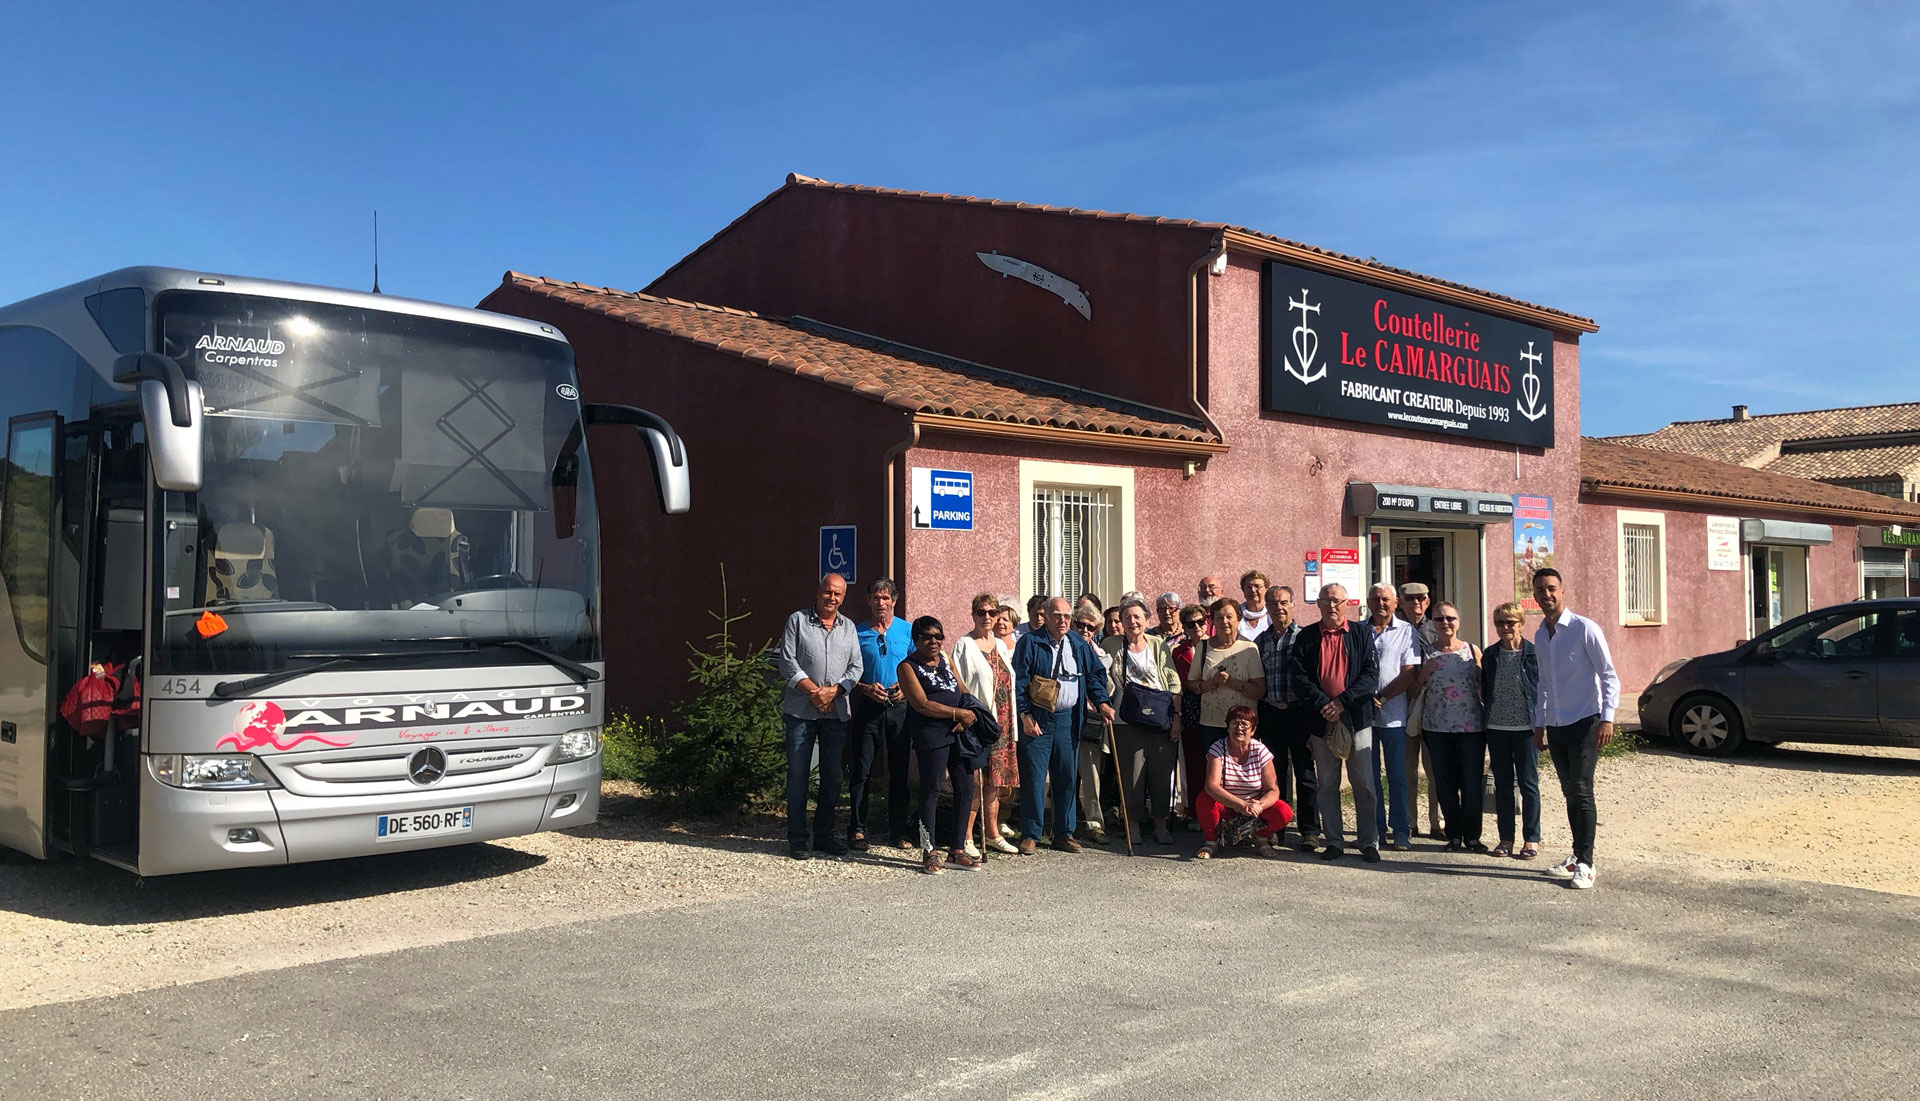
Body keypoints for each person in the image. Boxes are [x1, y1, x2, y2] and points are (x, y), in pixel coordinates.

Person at [1531, 568, 1620, 890]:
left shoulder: (1585, 629)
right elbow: (1542, 683)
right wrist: (1539, 723)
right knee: (1570, 791)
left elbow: (1609, 675)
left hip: (1585, 720)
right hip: (1556, 724)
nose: (1547, 595)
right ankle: (1575, 854)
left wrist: (1608, 718)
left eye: (1552, 588)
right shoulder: (1541, 634)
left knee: (1582, 790)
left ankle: (1586, 863)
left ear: (1563, 591)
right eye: (1540, 590)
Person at [1011, 597, 1115, 853]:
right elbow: (1020, 681)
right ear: (1045, 616)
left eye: (1067, 616)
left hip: (1069, 718)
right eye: (1057, 615)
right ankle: (1031, 834)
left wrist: (1101, 702)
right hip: (1039, 718)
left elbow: (1094, 675)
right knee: (1034, 777)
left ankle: (1063, 833)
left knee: (1066, 776)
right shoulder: (1030, 642)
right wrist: (1025, 715)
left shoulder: (1078, 642)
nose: (1063, 621)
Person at [1290, 583, 1382, 862]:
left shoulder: (1362, 633)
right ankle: (1334, 841)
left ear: (1347, 604)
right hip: (1321, 721)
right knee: (1327, 783)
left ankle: (1369, 842)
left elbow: (1370, 675)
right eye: (1327, 600)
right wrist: (1324, 705)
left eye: (1338, 601)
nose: (1332, 605)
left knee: (1364, 782)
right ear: (1318, 604)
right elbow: (1299, 677)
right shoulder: (1306, 636)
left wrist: (1342, 702)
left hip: (1356, 719)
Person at [775, 573, 863, 860]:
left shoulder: (848, 627)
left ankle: (824, 836)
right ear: (818, 591)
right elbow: (787, 662)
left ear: (843, 597)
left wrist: (834, 693)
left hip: (835, 713)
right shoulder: (797, 621)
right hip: (801, 712)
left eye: (838, 594)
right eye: (828, 592)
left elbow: (856, 667)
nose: (832, 598)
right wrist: (816, 693)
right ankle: (798, 839)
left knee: (832, 777)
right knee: (798, 776)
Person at [897, 615, 980, 873]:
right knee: (931, 789)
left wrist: (969, 713)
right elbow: (921, 703)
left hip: (959, 731)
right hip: (931, 733)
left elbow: (962, 689)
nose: (933, 641)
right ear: (916, 640)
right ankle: (929, 849)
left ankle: (956, 850)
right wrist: (956, 714)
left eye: (938, 636)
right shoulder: (907, 667)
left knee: (966, 787)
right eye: (927, 637)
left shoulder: (945, 660)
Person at [1102, 598, 1183, 845]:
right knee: (1132, 776)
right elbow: (1103, 677)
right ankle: (1133, 824)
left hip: (1159, 718)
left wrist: (1176, 718)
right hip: (1126, 720)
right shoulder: (1111, 644)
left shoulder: (1158, 644)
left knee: (1160, 774)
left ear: (1147, 620)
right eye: (1127, 617)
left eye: (1137, 617)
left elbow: (1173, 682)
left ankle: (1160, 824)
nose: (1132, 621)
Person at [846, 578, 915, 852]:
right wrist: (863, 688)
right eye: (875, 598)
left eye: (886, 598)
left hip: (899, 709)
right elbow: (847, 672)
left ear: (894, 601)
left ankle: (898, 830)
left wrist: (907, 690)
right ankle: (858, 829)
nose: (881, 603)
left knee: (899, 773)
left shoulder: (907, 631)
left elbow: (917, 667)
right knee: (861, 771)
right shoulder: (857, 632)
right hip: (870, 707)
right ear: (868, 601)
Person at [1412, 601, 1486, 852]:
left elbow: (1484, 685)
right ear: (1433, 623)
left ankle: (1473, 836)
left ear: (1458, 621)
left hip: (1471, 728)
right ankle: (1453, 834)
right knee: (1444, 783)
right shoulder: (1425, 653)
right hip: (1436, 727)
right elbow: (1412, 691)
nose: (1445, 623)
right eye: (1440, 619)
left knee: (1471, 782)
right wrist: (1424, 674)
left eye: (1450, 618)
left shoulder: (1472, 650)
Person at [1184, 598, 1264, 818]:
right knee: (1213, 778)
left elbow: (1259, 690)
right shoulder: (1203, 647)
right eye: (1219, 617)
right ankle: (1213, 824)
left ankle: (1242, 822)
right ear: (1213, 621)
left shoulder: (1249, 648)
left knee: (1242, 779)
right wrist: (1209, 685)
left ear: (1238, 619)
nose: (1224, 622)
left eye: (1229, 616)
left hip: (1242, 728)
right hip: (1211, 723)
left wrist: (1232, 683)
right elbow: (1191, 684)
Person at [954, 593, 1019, 855]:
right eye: (982, 612)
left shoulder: (1002, 646)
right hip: (978, 722)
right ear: (973, 614)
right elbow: (958, 683)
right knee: (975, 781)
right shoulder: (964, 645)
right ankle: (966, 836)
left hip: (1002, 723)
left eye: (992, 612)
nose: (988, 617)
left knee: (994, 781)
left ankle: (991, 832)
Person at [1256, 584, 1319, 848]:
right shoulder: (1260, 641)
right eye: (1273, 604)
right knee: (1274, 774)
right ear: (1267, 608)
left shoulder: (1305, 637)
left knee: (1305, 772)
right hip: (1270, 713)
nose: (1278, 608)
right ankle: (1277, 827)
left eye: (1283, 602)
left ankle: (1310, 830)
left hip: (1299, 713)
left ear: (1293, 605)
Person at [1481, 601, 1542, 859]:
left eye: (1510, 623)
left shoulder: (1533, 654)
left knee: (1528, 784)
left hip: (1526, 728)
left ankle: (1531, 838)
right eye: (1500, 623)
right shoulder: (1490, 654)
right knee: (1503, 786)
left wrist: (1543, 725)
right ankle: (1506, 838)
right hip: (1496, 727)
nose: (1505, 627)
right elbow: (1485, 688)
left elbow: (1542, 691)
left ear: (1521, 624)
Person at [1364, 583, 1422, 851]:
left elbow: (1410, 672)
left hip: (1394, 717)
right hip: (1364, 716)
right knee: (1370, 775)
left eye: (1385, 599)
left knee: (1397, 776)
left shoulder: (1406, 631)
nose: (1380, 604)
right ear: (1368, 602)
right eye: (1375, 599)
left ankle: (1401, 830)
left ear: (1396, 602)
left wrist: (1383, 697)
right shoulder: (1358, 630)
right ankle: (1376, 829)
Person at [1196, 705, 1295, 859]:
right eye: (1234, 723)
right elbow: (1211, 786)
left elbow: (1273, 789)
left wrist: (1258, 805)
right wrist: (1241, 805)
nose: (1239, 728)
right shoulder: (1217, 748)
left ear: (1253, 730)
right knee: (1204, 799)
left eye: (1245, 725)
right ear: (1228, 727)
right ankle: (1211, 841)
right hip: (1228, 805)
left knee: (1284, 812)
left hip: (1254, 806)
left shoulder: (1261, 750)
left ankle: (1261, 837)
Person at [1399, 580, 1444, 839]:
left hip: (1431, 706)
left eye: (1421, 599)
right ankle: (1409, 822)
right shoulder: (1396, 629)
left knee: (1434, 769)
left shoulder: (1437, 627)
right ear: (1401, 602)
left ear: (1427, 601)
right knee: (1407, 769)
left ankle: (1436, 824)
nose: (1416, 604)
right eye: (1410, 599)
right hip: (1402, 705)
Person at [1072, 604, 1117, 845]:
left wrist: (1099, 701)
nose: (1085, 630)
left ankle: (1094, 822)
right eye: (1080, 625)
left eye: (1091, 627)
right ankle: (1063, 824)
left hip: (1090, 720)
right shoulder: (1065, 646)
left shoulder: (1101, 654)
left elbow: (1108, 686)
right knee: (1065, 772)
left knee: (1091, 773)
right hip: (1065, 717)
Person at [1168, 602, 1211, 823]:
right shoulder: (1178, 652)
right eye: (1190, 623)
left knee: (1214, 764)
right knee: (1192, 763)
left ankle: (1218, 813)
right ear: (1183, 627)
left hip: (1215, 708)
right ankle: (1194, 812)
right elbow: (1175, 684)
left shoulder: (1216, 646)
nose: (1196, 627)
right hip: (1190, 710)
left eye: (1200, 622)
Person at [1237, 571, 1271, 641]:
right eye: (1249, 587)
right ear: (1243, 590)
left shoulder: (1272, 615)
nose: (1253, 590)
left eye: (1257, 586)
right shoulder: (1236, 613)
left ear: (1266, 590)